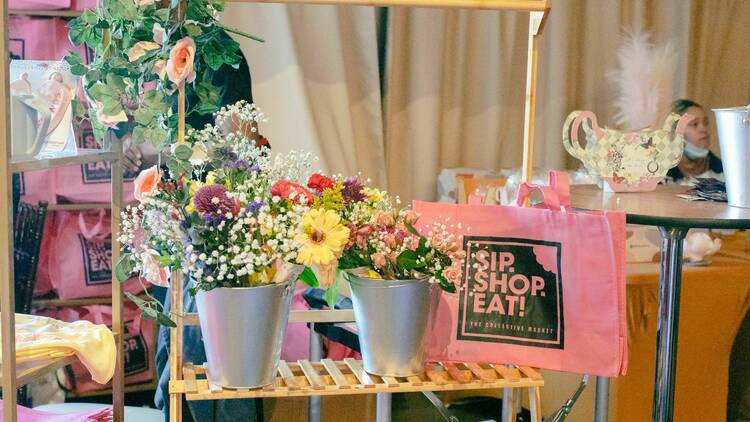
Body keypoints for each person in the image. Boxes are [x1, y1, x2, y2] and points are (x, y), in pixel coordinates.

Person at [666, 99, 723, 181]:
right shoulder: (660, 173)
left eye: (706, 123)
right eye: (695, 124)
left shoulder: (722, 172)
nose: (704, 129)